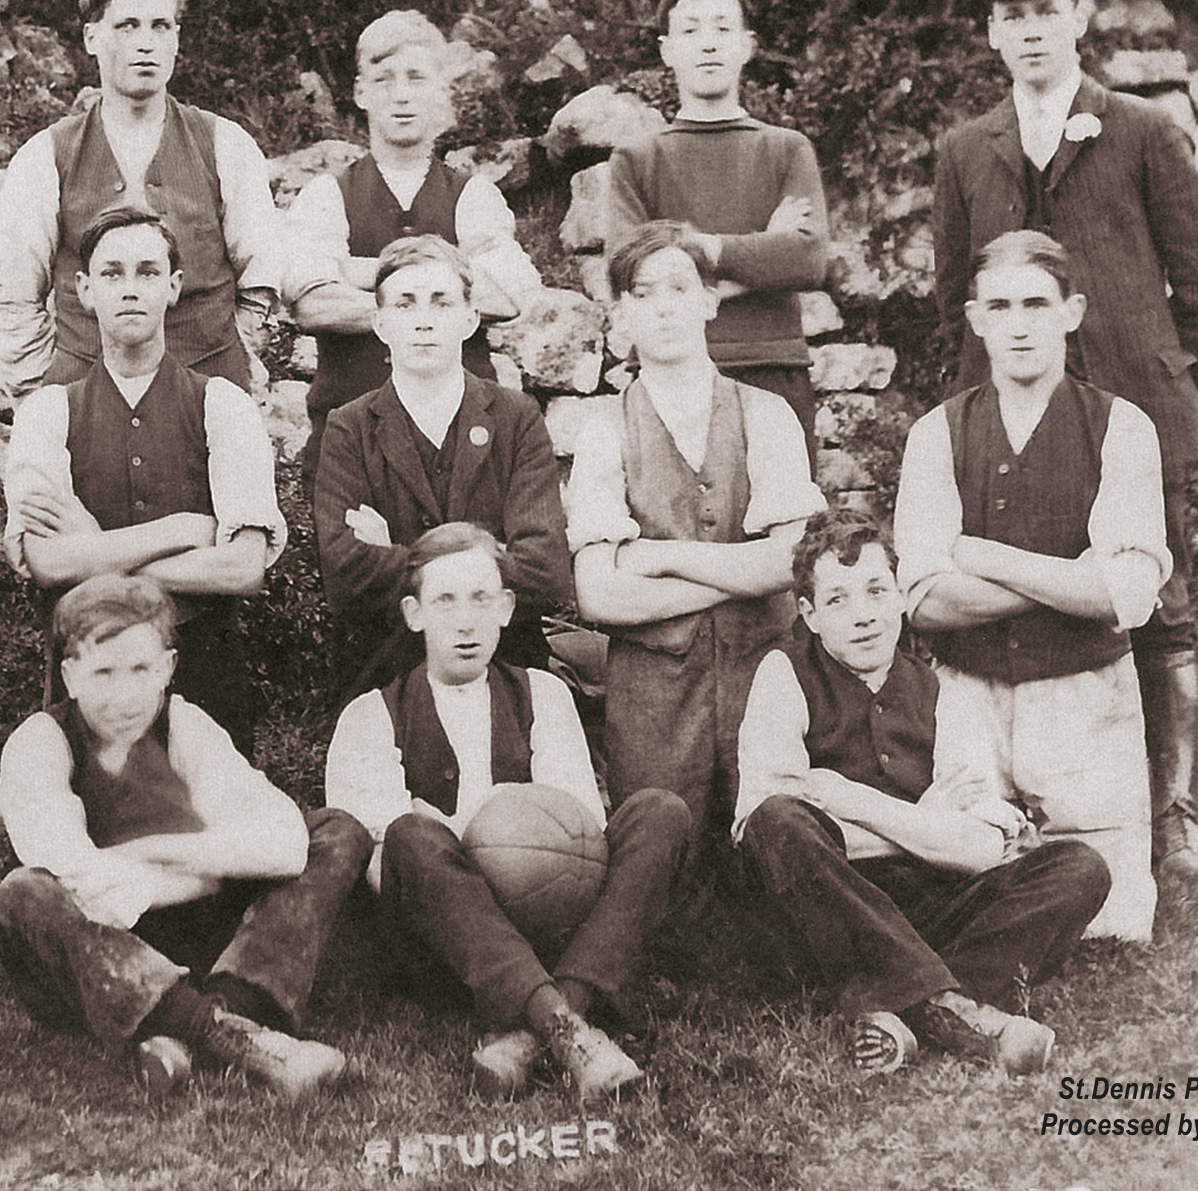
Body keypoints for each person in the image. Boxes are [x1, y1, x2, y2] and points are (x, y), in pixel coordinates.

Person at [932, 0, 1198, 882]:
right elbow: (952, 296)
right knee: (1028, 601)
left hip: (1137, 410)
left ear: (1081, 17)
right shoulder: (966, 149)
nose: (1030, 30)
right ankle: (1035, 799)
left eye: (1046, 11)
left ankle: (1175, 814)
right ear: (991, 33)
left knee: (1159, 605)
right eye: (1011, 16)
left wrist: (1162, 375)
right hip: (1012, 423)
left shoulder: (1140, 130)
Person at [735, 510, 1110, 1076]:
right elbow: (765, 826)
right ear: (808, 614)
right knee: (782, 822)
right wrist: (927, 823)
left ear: (900, 596)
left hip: (926, 908)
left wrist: (853, 802)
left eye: (876, 591)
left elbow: (980, 850)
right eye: (837, 599)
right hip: (825, 918)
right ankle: (953, 1008)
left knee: (1080, 867)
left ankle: (897, 1003)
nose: (863, 615)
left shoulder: (937, 689)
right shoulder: (782, 674)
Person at [325, 524, 690, 1099]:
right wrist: (486, 827)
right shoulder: (371, 715)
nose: (465, 622)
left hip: (553, 924)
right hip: (449, 950)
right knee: (410, 835)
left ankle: (537, 1028)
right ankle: (571, 1022)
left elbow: (580, 831)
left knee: (658, 812)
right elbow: (379, 867)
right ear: (414, 614)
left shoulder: (544, 694)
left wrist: (469, 828)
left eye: (480, 598)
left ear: (506, 608)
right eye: (445, 601)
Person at [0, 574, 371, 1100]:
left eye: (141, 670)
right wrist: (213, 871)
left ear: (167, 668)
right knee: (23, 894)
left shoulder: (185, 724)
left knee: (335, 832)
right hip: (101, 961)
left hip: (198, 939)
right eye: (103, 672)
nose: (125, 696)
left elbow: (284, 845)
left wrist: (154, 852)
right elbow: (82, 879)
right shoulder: (41, 742)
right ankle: (235, 1036)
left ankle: (195, 1026)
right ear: (70, 675)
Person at [894, 230, 1171, 943]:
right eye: (1000, 306)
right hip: (966, 695)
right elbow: (925, 601)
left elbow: (1127, 598)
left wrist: (981, 553)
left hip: (1086, 695)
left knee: (1105, 918)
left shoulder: (1122, 428)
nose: (1019, 325)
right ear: (975, 319)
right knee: (964, 890)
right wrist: (1075, 576)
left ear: (1071, 312)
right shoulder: (937, 433)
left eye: (1037, 304)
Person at [566, 221, 826, 870]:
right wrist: (744, 573)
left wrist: (660, 556)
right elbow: (600, 595)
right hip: (652, 695)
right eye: (643, 292)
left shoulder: (766, 413)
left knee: (775, 858)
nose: (663, 307)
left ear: (710, 301)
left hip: (763, 676)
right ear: (621, 312)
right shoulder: (603, 428)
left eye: (680, 287)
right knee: (661, 867)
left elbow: (791, 561)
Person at [1, 205, 286, 750]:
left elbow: (243, 567)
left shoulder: (223, 405)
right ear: (85, 290)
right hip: (88, 683)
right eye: (112, 273)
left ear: (174, 287)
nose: (130, 289)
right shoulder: (47, 413)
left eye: (147, 271)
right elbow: (48, 562)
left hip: (203, 681)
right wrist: (184, 528)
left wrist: (96, 550)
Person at [281, 10, 553, 487]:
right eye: (384, 79)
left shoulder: (474, 196)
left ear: (440, 90)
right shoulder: (326, 195)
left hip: (465, 447)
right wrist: (444, 297)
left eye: (416, 77)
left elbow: (508, 296)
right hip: (351, 451)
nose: (401, 94)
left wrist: (358, 271)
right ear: (360, 93)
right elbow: (312, 303)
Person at [0, 0, 279, 396]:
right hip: (86, 391)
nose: (146, 43)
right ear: (91, 37)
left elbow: (262, 279)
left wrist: (230, 361)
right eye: (127, 26)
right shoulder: (44, 157)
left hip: (207, 387)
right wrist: (43, 397)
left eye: (160, 26)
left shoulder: (226, 145)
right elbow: (15, 297)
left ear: (176, 38)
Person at [313, 236, 572, 696]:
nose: (424, 321)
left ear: (470, 319)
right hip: (387, 677)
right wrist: (491, 560)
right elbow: (347, 577)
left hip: (508, 672)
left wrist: (396, 554)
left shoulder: (516, 419)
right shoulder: (349, 428)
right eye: (405, 304)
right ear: (379, 323)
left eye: (441, 301)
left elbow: (544, 574)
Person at [606, 0, 830, 454]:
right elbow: (629, 275)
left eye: (723, 28)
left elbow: (808, 262)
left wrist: (696, 252)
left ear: (747, 46)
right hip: (666, 372)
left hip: (772, 366)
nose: (708, 43)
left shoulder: (787, 149)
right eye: (690, 30)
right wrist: (763, 250)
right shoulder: (636, 160)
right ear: (667, 50)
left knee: (783, 501)